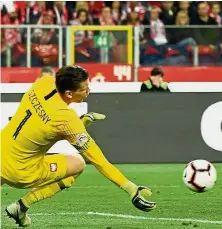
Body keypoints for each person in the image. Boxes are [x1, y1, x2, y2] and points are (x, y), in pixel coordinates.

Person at [1, 65, 156, 227]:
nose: (88, 91)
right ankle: (22, 205)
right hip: (20, 171)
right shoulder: (67, 120)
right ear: (69, 93)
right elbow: (99, 161)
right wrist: (131, 188)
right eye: (84, 88)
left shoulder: (43, 83)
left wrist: (81, 124)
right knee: (78, 164)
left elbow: (42, 127)